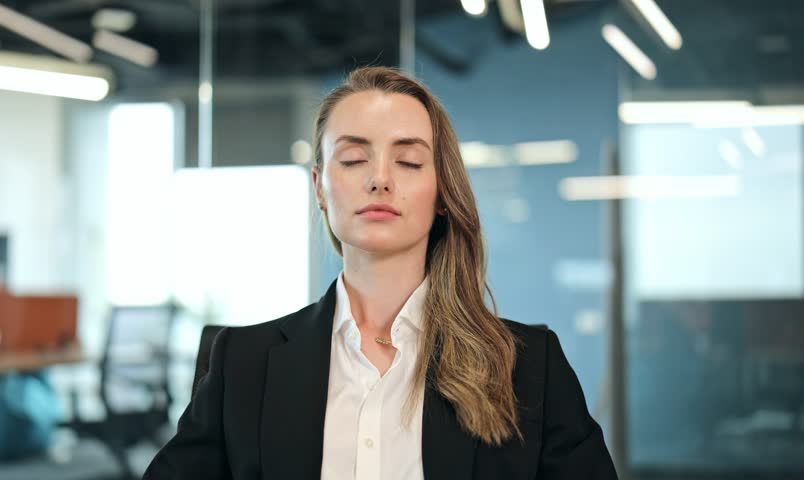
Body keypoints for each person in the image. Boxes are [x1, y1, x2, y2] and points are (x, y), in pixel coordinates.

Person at [143, 66, 618, 479]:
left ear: (441, 193)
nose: (380, 178)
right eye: (353, 159)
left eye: (409, 161)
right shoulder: (243, 364)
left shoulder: (528, 368)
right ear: (320, 188)